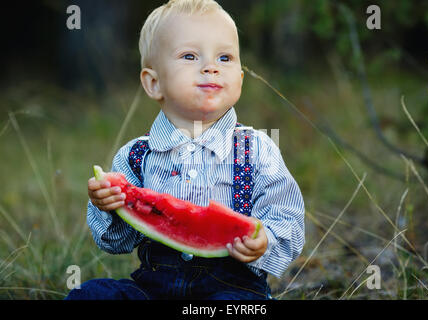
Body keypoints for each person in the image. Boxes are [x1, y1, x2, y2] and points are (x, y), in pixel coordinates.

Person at [65, 0, 305, 300]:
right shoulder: (136, 157)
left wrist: (264, 241)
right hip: (153, 289)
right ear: (153, 83)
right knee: (91, 295)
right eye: (189, 56)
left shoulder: (257, 150)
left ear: (240, 80)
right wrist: (109, 207)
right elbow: (116, 242)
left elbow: (289, 220)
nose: (210, 66)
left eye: (225, 57)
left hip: (232, 289)